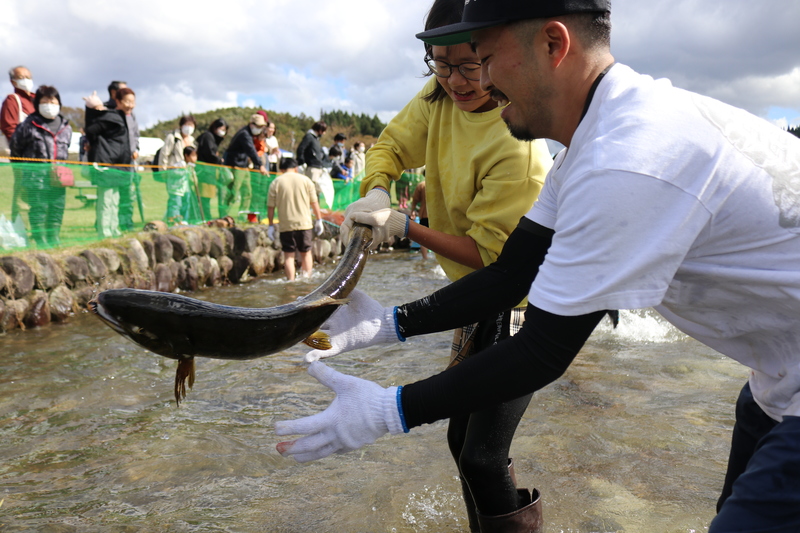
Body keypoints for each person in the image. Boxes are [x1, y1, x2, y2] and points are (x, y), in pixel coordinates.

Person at [275, 0, 800, 531]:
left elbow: (544, 349)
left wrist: (390, 410)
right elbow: (511, 274)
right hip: (778, 376)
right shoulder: (587, 146)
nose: (479, 79)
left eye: (486, 57)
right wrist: (386, 325)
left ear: (553, 44)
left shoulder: (629, 159)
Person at [312, 0, 551, 529]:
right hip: (472, 303)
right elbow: (392, 145)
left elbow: (497, 264)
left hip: (522, 307)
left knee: (482, 455)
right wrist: (376, 192)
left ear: (496, 56)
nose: (456, 81)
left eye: (468, 65)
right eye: (439, 65)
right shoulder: (436, 97)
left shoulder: (519, 151)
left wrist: (405, 227)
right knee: (458, 438)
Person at [9, 85, 71, 248]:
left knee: (56, 207)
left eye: (53, 100)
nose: (49, 104)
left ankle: (54, 237)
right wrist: (24, 169)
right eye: (45, 101)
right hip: (35, 177)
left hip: (59, 177)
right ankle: (40, 238)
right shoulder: (28, 125)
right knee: (39, 207)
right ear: (38, 103)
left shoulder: (66, 126)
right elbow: (16, 148)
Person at [84, 87, 137, 239]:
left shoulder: (125, 117)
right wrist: (92, 145)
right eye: (127, 101)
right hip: (106, 165)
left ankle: (114, 229)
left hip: (119, 165)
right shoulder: (110, 117)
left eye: (133, 102)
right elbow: (91, 130)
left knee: (115, 200)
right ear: (118, 101)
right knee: (106, 201)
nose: (130, 105)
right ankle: (105, 232)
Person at [267, 158, 324, 281]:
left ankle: (291, 282)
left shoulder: (276, 182)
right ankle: (306, 280)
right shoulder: (306, 180)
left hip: (286, 225)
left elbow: (270, 207)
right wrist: (319, 220)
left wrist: (270, 225)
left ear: (281, 169)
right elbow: (314, 203)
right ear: (296, 168)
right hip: (304, 224)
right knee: (306, 253)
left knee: (289, 256)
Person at [2, 66, 36, 224]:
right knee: (23, 194)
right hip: (23, 157)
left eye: (28, 77)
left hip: (39, 156)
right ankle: (20, 227)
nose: (26, 81)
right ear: (13, 81)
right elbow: (9, 128)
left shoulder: (36, 99)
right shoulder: (12, 100)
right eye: (22, 77)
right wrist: (20, 152)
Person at [223, 113, 268, 217]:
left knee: (247, 193)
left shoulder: (251, 135)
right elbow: (251, 150)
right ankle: (224, 215)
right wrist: (260, 164)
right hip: (235, 166)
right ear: (251, 124)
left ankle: (242, 216)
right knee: (233, 193)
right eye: (258, 126)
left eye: (261, 127)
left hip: (244, 166)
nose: (259, 129)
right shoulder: (244, 134)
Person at [160, 115, 197, 222]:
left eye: (191, 125)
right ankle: (173, 221)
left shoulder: (192, 140)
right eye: (187, 125)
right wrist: (163, 172)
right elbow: (164, 154)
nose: (189, 127)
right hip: (174, 173)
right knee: (175, 200)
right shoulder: (172, 137)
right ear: (181, 125)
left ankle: (183, 221)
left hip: (187, 175)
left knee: (186, 199)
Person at [195, 118, 228, 219]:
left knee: (207, 197)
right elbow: (209, 153)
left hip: (210, 173)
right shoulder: (207, 136)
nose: (223, 131)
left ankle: (206, 216)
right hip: (205, 172)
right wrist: (219, 160)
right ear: (215, 128)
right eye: (221, 128)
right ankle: (205, 217)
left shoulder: (213, 139)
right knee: (204, 197)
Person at [295, 120, 327, 192]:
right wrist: (302, 162)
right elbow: (301, 149)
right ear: (319, 129)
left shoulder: (316, 139)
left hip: (318, 167)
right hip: (311, 167)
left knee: (316, 190)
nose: (324, 133)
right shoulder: (309, 137)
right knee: (310, 189)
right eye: (323, 131)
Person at [410, 180, 429, 259]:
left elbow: (415, 200)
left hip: (425, 214)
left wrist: (412, 211)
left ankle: (425, 257)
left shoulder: (421, 185)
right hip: (437, 215)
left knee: (424, 237)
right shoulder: (439, 183)